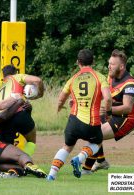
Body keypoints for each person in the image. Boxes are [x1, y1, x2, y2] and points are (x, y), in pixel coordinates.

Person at [46, 49, 112, 181]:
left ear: (78, 62)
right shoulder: (100, 77)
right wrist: (108, 113)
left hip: (73, 121)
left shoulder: (73, 79)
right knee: (97, 143)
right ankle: (80, 158)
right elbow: (108, 99)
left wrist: (59, 108)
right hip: (91, 122)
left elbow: (61, 99)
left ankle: (51, 174)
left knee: (67, 147)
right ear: (93, 62)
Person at [82, 49, 134, 174]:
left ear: (122, 66)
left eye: (112, 64)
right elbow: (103, 95)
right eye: (109, 63)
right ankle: (101, 160)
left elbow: (128, 108)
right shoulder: (110, 77)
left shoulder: (130, 84)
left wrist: (108, 110)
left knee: (94, 134)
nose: (109, 66)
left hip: (127, 118)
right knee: (89, 126)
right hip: (112, 113)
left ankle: (86, 169)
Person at [0, 101, 47, 178]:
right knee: (22, 155)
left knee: (20, 167)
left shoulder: (14, 119)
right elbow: (3, 116)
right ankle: (30, 165)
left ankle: (11, 173)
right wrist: (19, 102)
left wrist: (28, 111)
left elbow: (24, 122)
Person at [0, 64, 44, 156]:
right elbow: (38, 80)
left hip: (4, 118)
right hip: (19, 114)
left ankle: (9, 166)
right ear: (15, 73)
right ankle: (25, 162)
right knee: (31, 141)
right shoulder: (16, 77)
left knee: (7, 146)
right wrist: (40, 94)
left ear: (3, 76)